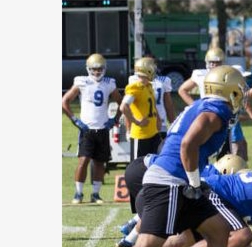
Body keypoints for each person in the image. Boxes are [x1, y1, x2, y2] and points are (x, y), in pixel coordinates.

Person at [74, 65, 252, 247]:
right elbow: (187, 145)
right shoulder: (215, 111)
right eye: (240, 89)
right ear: (229, 90)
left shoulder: (201, 107)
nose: (243, 94)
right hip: (171, 182)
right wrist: (195, 183)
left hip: (177, 180)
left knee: (219, 231)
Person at [62, 53, 123, 204]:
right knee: (83, 161)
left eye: (100, 69)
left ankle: (95, 194)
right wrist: (75, 120)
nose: (97, 72)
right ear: (88, 69)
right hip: (87, 129)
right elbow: (65, 101)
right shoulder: (82, 82)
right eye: (94, 69)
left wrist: (114, 120)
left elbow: (122, 103)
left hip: (102, 128)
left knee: (99, 162)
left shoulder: (109, 83)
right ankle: (78, 193)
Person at [121, 57, 161, 161]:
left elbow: (151, 108)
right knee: (138, 167)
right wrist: (136, 121)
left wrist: (158, 120)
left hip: (153, 133)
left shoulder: (148, 86)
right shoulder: (136, 87)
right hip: (141, 135)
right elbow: (124, 106)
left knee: (153, 166)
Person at [129, 55, 176, 143]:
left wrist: (174, 125)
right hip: (143, 125)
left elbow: (168, 105)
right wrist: (129, 128)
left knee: (159, 154)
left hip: (160, 125)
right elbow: (130, 106)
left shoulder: (163, 81)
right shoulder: (134, 80)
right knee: (142, 155)